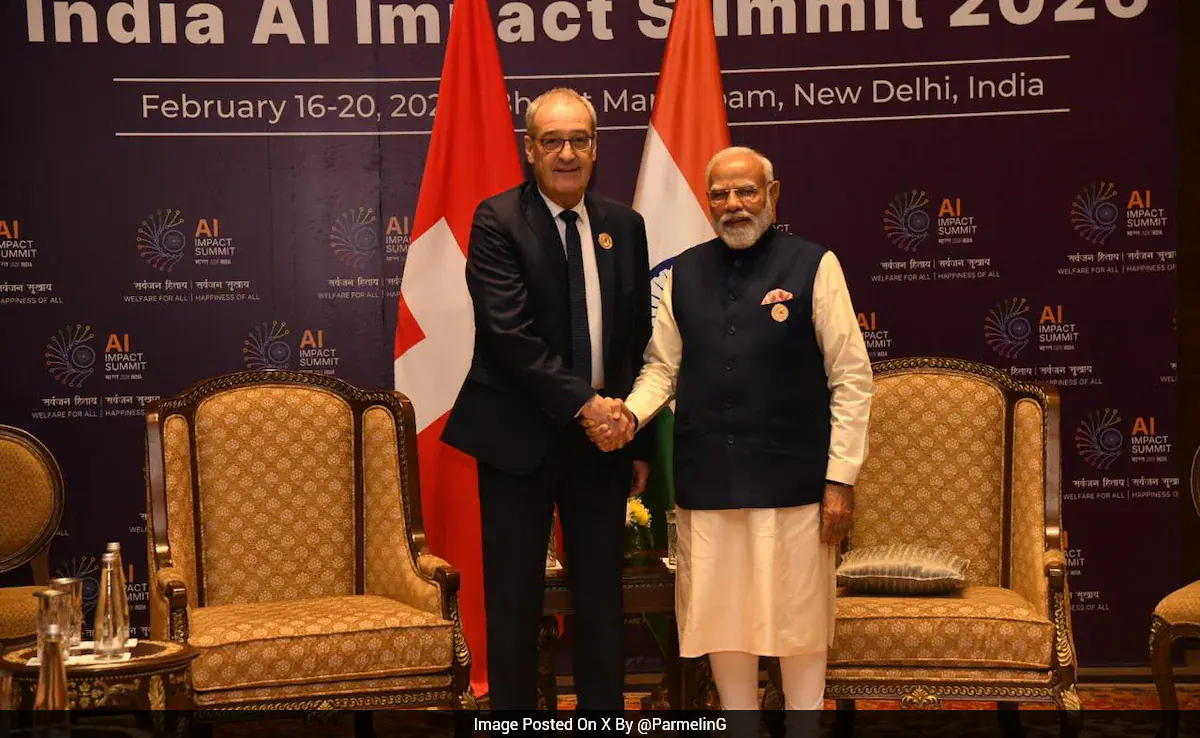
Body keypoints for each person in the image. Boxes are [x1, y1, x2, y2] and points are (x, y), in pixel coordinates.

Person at [591, 146, 873, 728]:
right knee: (723, 622)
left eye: (746, 191)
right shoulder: (683, 273)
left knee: (798, 621)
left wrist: (840, 478)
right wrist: (629, 418)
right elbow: (661, 370)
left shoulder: (815, 265)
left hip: (794, 485)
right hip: (709, 483)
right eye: (720, 194)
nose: (733, 204)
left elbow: (851, 377)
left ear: (773, 195)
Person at [441, 87, 652, 712]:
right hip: (518, 437)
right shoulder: (497, 220)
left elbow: (634, 337)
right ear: (529, 149)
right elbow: (509, 335)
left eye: (579, 140)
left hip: (602, 443)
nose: (567, 153)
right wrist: (589, 405)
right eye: (552, 141)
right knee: (514, 602)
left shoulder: (625, 225)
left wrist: (632, 433)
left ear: (596, 148)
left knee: (602, 601)